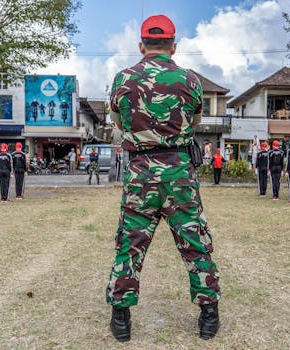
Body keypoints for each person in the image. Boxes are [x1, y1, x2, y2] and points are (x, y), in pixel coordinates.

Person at [106, 14, 220, 342]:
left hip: (141, 173)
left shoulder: (123, 80)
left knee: (130, 245)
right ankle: (209, 314)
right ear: (174, 46)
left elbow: (118, 122)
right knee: (195, 243)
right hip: (179, 173)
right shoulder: (190, 80)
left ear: (141, 45)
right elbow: (195, 122)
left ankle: (121, 317)